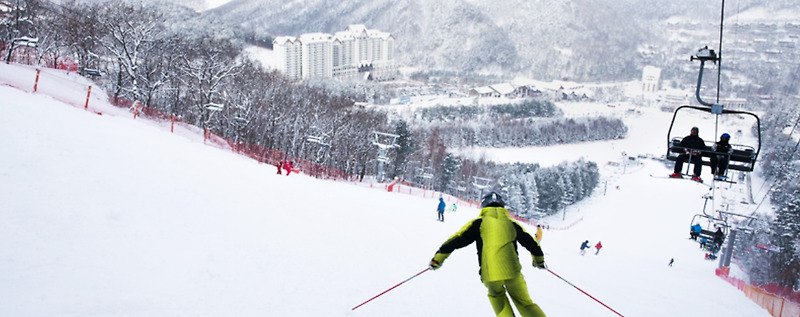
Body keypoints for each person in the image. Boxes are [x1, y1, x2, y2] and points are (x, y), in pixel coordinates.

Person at [428, 191, 547, 317]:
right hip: (513, 273)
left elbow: (456, 241)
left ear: (484, 206)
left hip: (491, 274)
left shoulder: (479, 223)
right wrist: (539, 261)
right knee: (525, 303)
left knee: (497, 297)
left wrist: (438, 259)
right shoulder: (512, 224)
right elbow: (532, 244)